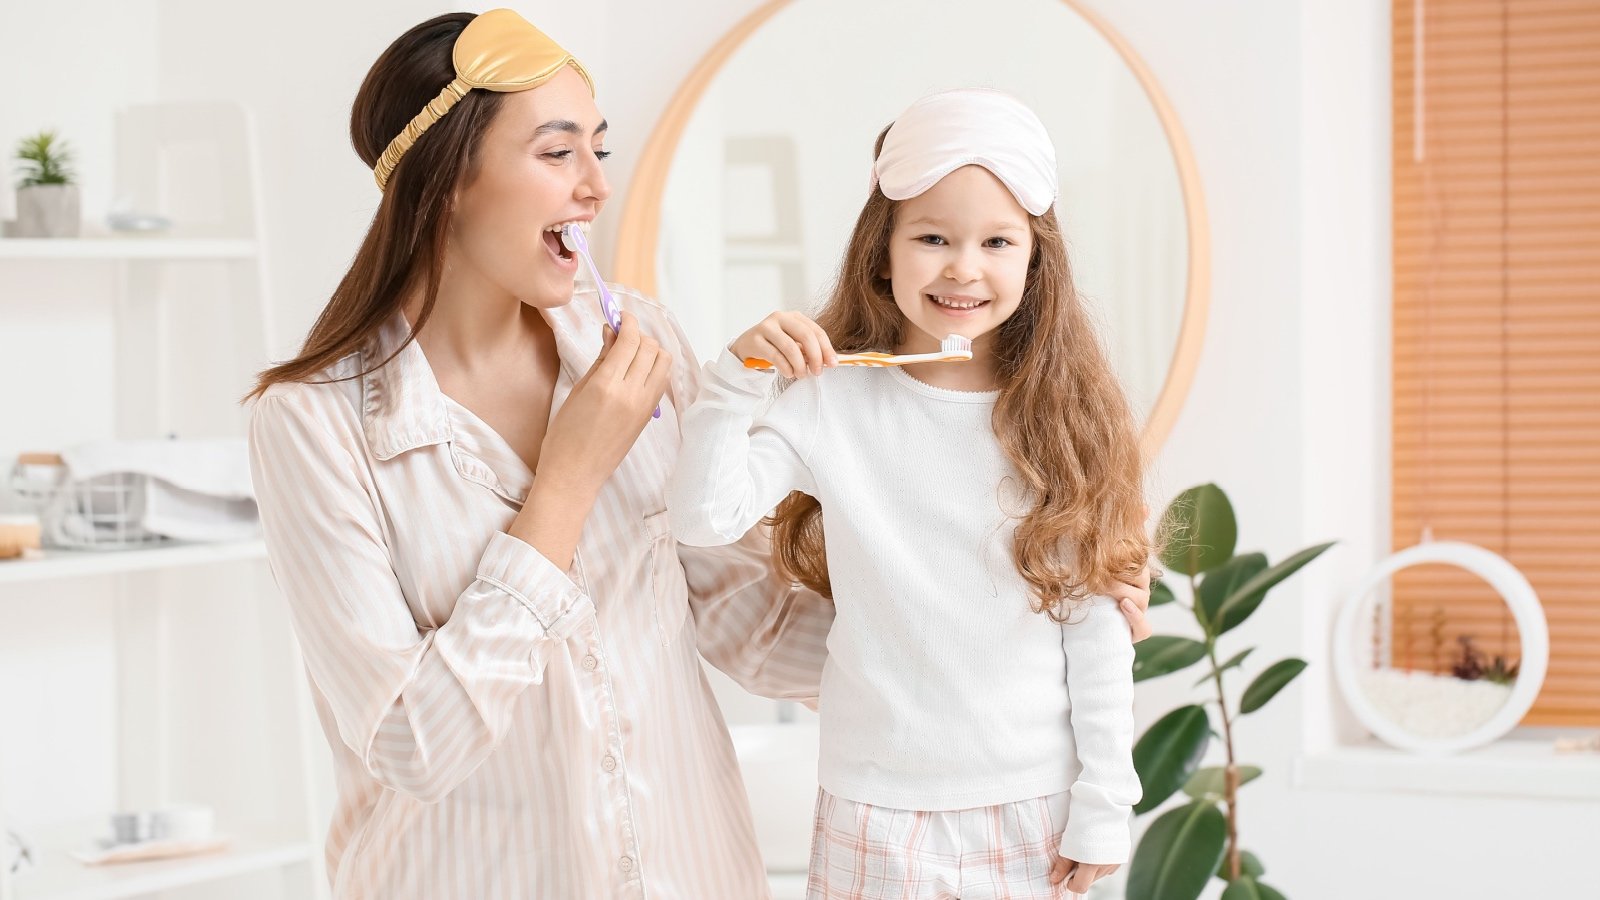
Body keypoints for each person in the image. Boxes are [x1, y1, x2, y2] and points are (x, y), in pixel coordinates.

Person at [669, 89, 1152, 899]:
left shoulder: (1060, 421)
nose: (964, 266)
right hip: (872, 807)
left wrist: (1106, 801)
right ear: (882, 253)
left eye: (997, 241)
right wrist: (735, 381)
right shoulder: (831, 404)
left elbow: (1095, 628)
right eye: (932, 237)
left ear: (1035, 263)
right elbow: (704, 514)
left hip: (1032, 806)